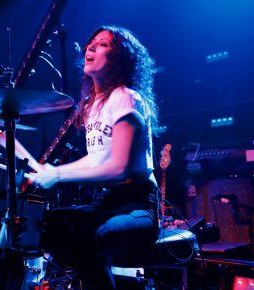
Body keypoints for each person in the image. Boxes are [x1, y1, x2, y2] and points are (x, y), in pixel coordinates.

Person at [30, 25, 160, 290]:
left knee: (86, 238)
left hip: (138, 204)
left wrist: (57, 175)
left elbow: (119, 168)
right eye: (92, 42)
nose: (91, 47)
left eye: (103, 44)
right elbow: (97, 159)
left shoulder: (126, 99)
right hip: (109, 201)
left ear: (119, 58)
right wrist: (51, 169)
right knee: (44, 223)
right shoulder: (94, 105)